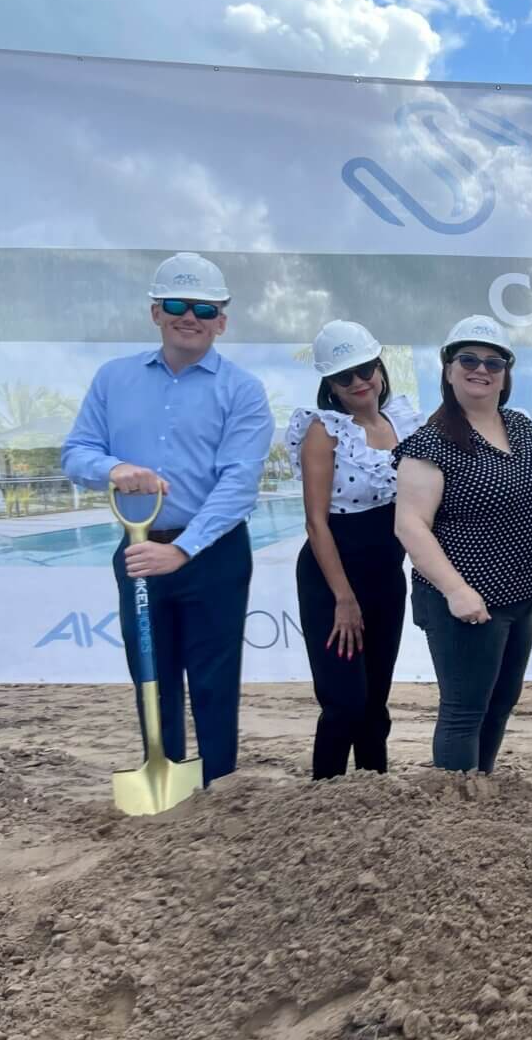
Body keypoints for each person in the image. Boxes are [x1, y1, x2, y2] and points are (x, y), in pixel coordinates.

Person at [60, 252, 273, 785]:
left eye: (204, 307)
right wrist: (114, 469)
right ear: (155, 311)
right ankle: (168, 776)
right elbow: (77, 451)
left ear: (222, 320)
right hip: (137, 547)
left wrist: (181, 550)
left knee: (213, 678)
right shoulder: (113, 379)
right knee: (151, 675)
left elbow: (238, 484)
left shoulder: (242, 390)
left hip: (214, 554)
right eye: (176, 304)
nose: (190, 317)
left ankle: (219, 783)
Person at [393, 315, 532, 773]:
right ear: (448, 369)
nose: (481, 369)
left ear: (506, 373)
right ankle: (457, 812)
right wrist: (455, 590)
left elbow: (524, 494)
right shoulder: (430, 443)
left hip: (521, 593)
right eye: (467, 359)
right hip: (467, 602)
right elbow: (410, 526)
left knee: (501, 702)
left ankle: (480, 796)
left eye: (494, 361)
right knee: (464, 711)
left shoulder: (520, 426)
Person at [286, 321, 422, 779]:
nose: (360, 381)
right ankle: (324, 800)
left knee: (374, 704)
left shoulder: (403, 422)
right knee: (343, 703)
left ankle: (373, 796)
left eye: (367, 368)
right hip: (332, 580)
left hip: (386, 577)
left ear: (380, 368)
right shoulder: (323, 431)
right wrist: (343, 598)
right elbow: (316, 523)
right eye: (346, 376)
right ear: (330, 384)